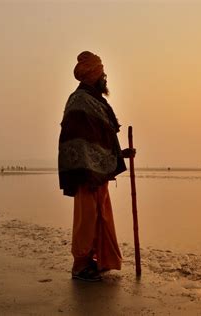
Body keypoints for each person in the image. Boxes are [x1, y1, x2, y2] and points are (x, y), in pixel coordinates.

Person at [58, 51, 135, 282]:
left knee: (101, 216)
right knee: (87, 218)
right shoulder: (80, 100)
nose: (106, 77)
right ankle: (80, 267)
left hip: (97, 173)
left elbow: (98, 141)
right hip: (85, 173)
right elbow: (78, 141)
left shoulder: (95, 101)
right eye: (102, 73)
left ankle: (97, 260)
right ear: (93, 75)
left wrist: (119, 154)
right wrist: (90, 167)